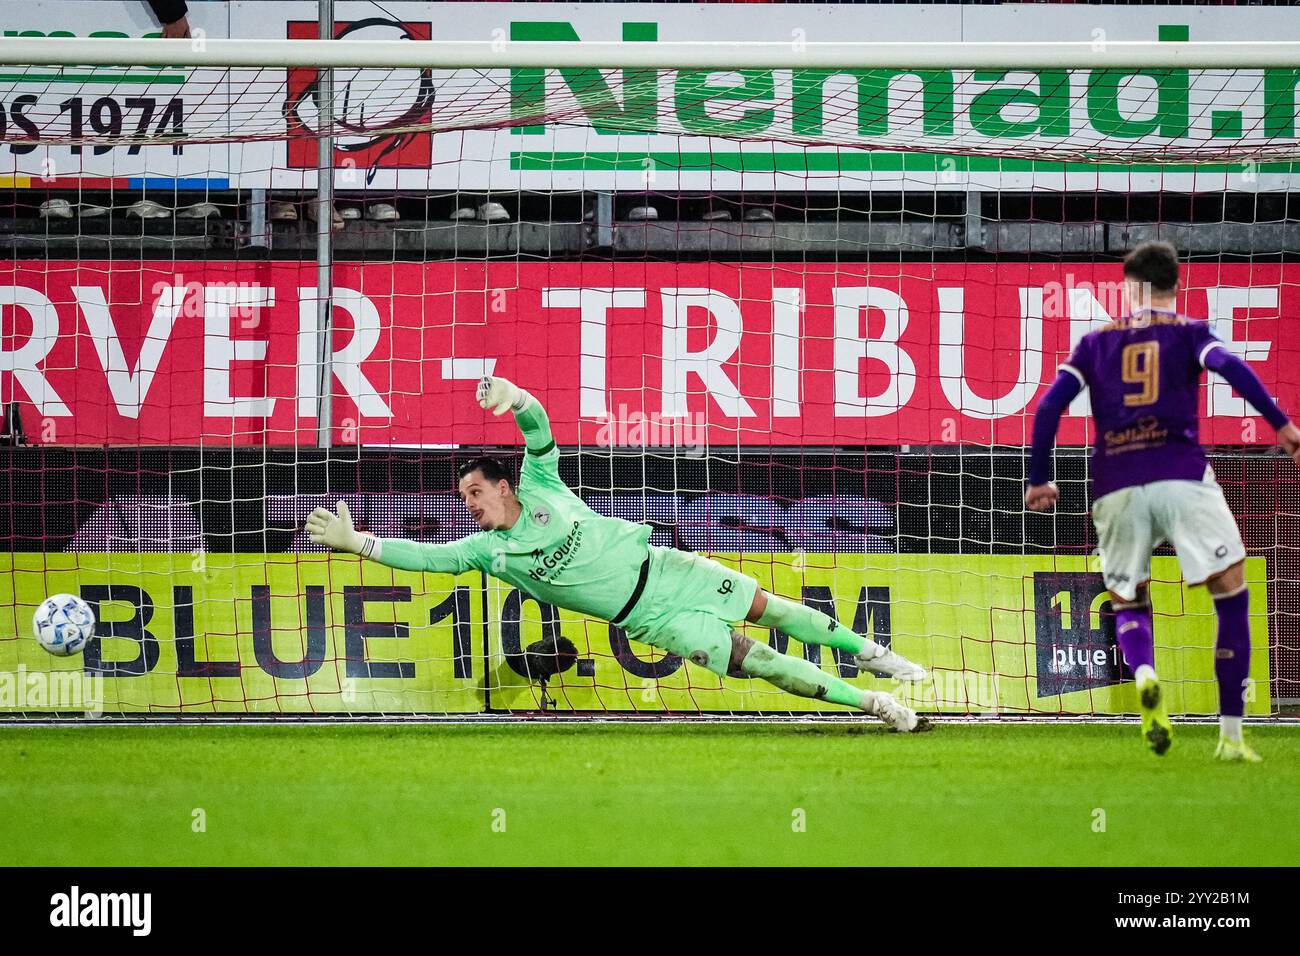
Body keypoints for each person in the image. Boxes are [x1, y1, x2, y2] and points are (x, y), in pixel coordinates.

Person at [307, 376, 932, 732]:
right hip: (654, 620)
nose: (469, 503)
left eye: (475, 490)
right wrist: (359, 541)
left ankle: (877, 657)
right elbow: (426, 557)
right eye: (462, 496)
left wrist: (516, 398)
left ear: (503, 486)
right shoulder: (488, 552)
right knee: (761, 661)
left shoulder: (542, 484)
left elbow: (539, 429)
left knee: (774, 609)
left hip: (667, 570)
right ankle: (877, 705)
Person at [1026, 240, 1300, 761]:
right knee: (1231, 592)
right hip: (1181, 475)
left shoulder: (1094, 342)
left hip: (1115, 483)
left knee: (1130, 599)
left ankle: (1146, 673)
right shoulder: (1189, 332)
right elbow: (1232, 367)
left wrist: (1040, 478)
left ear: (1129, 287)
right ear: (1178, 285)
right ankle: (1231, 736)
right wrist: (1283, 428)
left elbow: (1048, 407)